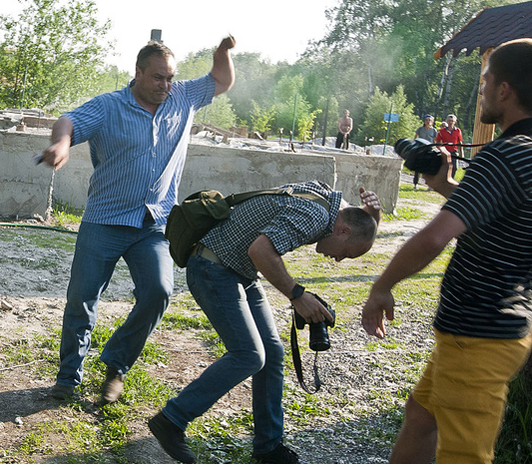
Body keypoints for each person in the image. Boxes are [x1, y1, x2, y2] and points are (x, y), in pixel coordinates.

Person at [361, 38, 532, 464]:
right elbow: (510, 217)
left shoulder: (502, 155)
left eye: (484, 82)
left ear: (504, 90)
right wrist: (446, 188)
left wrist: (382, 285)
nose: (480, 91)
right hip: (506, 325)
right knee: (421, 417)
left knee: (465, 454)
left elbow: (433, 237)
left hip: (479, 333)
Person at [41, 36, 236, 403]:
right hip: (105, 219)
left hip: (154, 223)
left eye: (170, 78)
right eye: (158, 77)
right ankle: (68, 377)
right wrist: (62, 144)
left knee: (158, 292)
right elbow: (68, 121)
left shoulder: (182, 97)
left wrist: (221, 53)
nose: (166, 85)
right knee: (82, 298)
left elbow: (221, 81)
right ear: (138, 73)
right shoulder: (109, 106)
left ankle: (116, 365)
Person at [149, 180, 381, 464]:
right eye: (346, 253)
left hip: (238, 272)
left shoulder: (329, 203)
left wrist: (372, 218)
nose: (338, 259)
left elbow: (355, 218)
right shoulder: (317, 215)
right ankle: (171, 420)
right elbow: (260, 251)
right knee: (248, 355)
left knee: (271, 354)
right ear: (342, 231)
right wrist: (297, 295)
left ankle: (268, 448)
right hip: (212, 267)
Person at [413, 114, 438, 189]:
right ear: (424, 121)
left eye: (429, 120)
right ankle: (415, 184)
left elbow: (435, 141)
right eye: (426, 120)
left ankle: (429, 185)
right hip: (420, 149)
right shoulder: (420, 129)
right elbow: (415, 138)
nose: (428, 122)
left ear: (432, 121)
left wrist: (435, 149)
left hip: (429, 150)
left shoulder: (434, 130)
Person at [435, 114, 464, 178]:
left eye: (452, 121)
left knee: (454, 168)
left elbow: (459, 142)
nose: (451, 122)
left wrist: (462, 152)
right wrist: (440, 151)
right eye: (449, 121)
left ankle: (450, 180)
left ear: (455, 122)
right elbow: (438, 143)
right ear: (447, 121)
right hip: (445, 152)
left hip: (454, 151)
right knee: (445, 168)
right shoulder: (442, 131)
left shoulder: (458, 131)